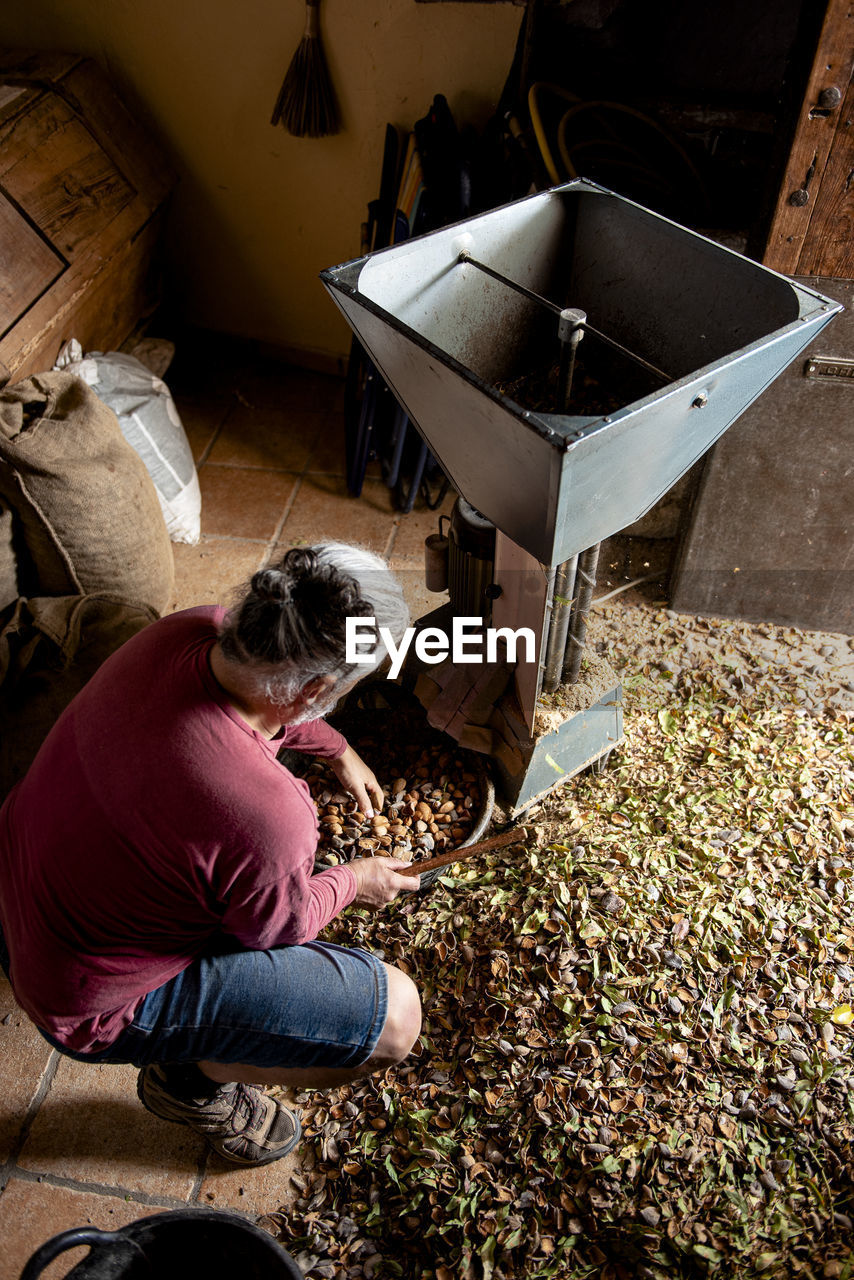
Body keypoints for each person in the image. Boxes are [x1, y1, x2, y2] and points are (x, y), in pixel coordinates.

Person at [0, 543, 423, 1167]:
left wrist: (334, 747)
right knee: (395, 1021)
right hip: (82, 998)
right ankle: (190, 1084)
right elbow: (280, 928)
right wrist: (354, 881)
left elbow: (263, 695)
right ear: (320, 686)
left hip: (20, 877)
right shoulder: (273, 817)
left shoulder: (187, 629)